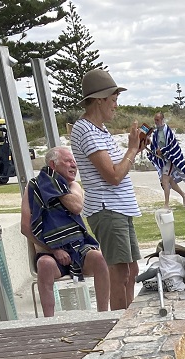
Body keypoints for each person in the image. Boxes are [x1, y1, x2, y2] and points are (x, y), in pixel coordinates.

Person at [70, 68, 144, 310]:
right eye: (113, 100)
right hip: (108, 209)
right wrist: (132, 150)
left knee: (131, 270)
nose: (116, 106)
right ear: (100, 99)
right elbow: (113, 175)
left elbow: (116, 168)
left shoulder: (98, 130)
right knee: (120, 272)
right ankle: (120, 324)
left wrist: (134, 150)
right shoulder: (86, 129)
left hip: (118, 209)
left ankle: (128, 319)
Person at [21, 146, 110, 318]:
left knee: (99, 258)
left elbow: (76, 207)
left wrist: (53, 188)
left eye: (74, 161)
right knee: (44, 265)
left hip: (79, 249)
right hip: (50, 252)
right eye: (68, 161)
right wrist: (54, 250)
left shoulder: (73, 186)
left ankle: (103, 315)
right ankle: (49, 322)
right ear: (53, 165)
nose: (73, 165)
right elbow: (25, 227)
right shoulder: (32, 187)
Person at [147, 112, 185, 207]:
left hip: (170, 158)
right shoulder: (155, 132)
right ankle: (184, 196)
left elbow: (172, 144)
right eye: (155, 120)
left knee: (164, 180)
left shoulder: (167, 131)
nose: (156, 122)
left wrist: (163, 150)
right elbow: (155, 145)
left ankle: (166, 205)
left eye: (157, 120)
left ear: (162, 120)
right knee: (170, 181)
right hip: (162, 159)